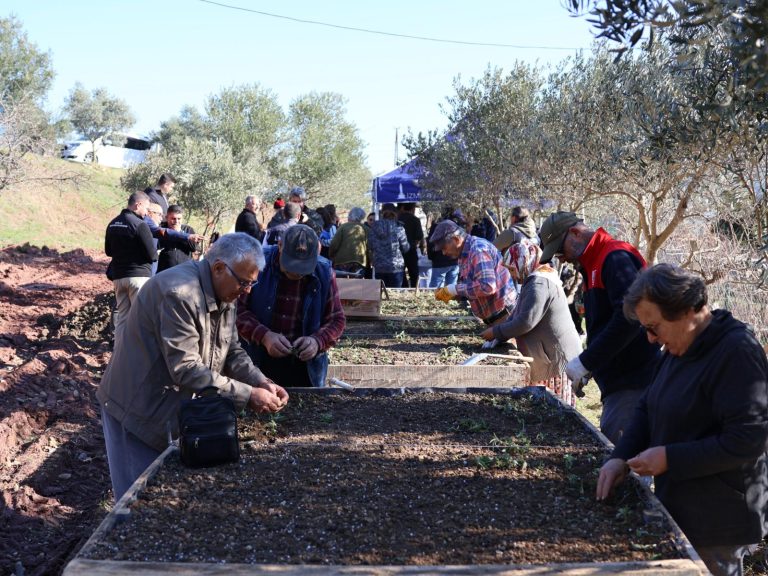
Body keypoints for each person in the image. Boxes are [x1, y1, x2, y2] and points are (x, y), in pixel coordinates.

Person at [596, 263, 768, 576]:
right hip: (679, 505)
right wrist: (619, 457)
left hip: (717, 521)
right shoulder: (676, 348)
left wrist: (669, 458)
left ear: (688, 312)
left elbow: (748, 440)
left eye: (654, 327)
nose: (650, 339)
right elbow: (647, 407)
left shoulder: (737, 352)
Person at [97, 233, 289, 501]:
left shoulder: (227, 293)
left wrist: (260, 381)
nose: (247, 291)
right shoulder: (179, 293)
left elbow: (231, 350)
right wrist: (247, 395)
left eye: (251, 284)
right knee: (137, 502)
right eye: (244, 283)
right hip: (136, 410)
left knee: (166, 499)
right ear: (219, 268)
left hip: (173, 406)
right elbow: (186, 368)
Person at [538, 211, 660, 444]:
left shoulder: (614, 258)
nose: (562, 259)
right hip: (619, 381)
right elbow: (606, 322)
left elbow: (631, 317)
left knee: (624, 461)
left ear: (575, 233)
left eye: (560, 250)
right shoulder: (595, 261)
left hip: (632, 382)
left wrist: (586, 362)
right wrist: (592, 364)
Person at [237, 225, 346, 388]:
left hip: (306, 367)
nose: (297, 273)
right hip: (258, 360)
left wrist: (317, 341)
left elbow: (336, 320)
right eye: (292, 265)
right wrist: (264, 335)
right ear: (280, 245)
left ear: (318, 250)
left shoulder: (324, 272)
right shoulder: (257, 264)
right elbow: (235, 310)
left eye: (304, 267)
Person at [481, 240, 582, 404]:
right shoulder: (535, 279)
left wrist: (495, 332)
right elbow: (517, 313)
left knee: (555, 412)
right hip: (551, 357)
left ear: (525, 262)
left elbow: (525, 321)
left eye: (513, 269)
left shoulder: (539, 283)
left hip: (556, 361)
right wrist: (498, 336)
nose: (512, 275)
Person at [430, 219, 517, 326]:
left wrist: (454, 289)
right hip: (495, 318)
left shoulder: (477, 250)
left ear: (456, 239)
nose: (443, 253)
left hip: (504, 317)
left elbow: (487, 286)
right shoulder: (463, 254)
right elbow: (474, 286)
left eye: (444, 248)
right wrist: (457, 295)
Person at [105, 191, 157, 346]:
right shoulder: (140, 224)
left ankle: (119, 351)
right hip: (138, 277)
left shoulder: (112, 223)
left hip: (119, 278)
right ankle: (138, 354)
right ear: (138, 204)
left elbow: (108, 251)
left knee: (122, 318)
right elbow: (152, 255)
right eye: (146, 208)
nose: (147, 212)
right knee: (141, 318)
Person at [367, 202, 410, 288]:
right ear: (395, 213)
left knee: (381, 294)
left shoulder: (374, 227)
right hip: (396, 266)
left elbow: (370, 245)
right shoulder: (399, 227)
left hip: (379, 266)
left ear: (382, 213)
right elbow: (406, 248)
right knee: (395, 295)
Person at [157, 204, 198, 273]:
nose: (176, 221)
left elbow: (193, 247)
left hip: (184, 271)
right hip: (164, 271)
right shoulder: (161, 229)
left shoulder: (188, 230)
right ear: (167, 218)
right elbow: (157, 245)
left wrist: (180, 233)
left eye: (179, 219)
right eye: (173, 218)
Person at [329, 207, 368, 275]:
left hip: (341, 262)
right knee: (358, 283)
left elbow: (334, 244)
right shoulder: (366, 229)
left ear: (350, 216)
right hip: (360, 262)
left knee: (341, 283)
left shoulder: (342, 227)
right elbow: (370, 247)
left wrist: (331, 255)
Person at [427, 213, 459, 288]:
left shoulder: (436, 226)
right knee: (451, 288)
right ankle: (450, 299)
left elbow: (431, 243)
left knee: (436, 289)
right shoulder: (455, 224)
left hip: (440, 261)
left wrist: (431, 258)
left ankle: (437, 299)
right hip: (454, 261)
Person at [397, 203, 425, 288]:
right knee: (413, 273)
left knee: (400, 273)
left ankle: (403, 289)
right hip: (411, 250)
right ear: (412, 208)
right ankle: (414, 289)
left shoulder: (397, 219)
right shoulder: (415, 220)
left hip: (398, 250)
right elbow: (419, 237)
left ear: (402, 208)